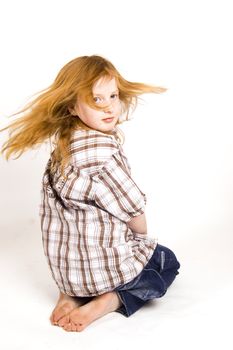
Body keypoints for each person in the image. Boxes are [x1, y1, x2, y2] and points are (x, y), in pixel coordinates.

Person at [1, 55, 180, 332]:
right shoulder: (103, 155)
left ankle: (69, 295)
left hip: (66, 273)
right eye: (97, 100)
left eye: (113, 95)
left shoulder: (63, 147)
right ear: (72, 106)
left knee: (86, 239)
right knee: (165, 261)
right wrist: (141, 238)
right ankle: (110, 300)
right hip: (103, 272)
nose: (109, 106)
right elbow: (134, 209)